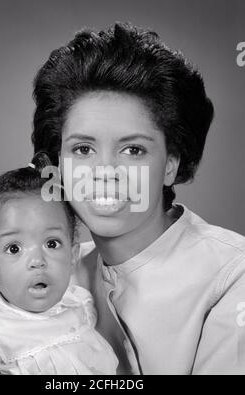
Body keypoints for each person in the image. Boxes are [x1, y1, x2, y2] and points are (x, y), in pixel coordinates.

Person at [31, 22, 245, 374]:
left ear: (171, 166)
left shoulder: (231, 276)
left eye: (133, 150)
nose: (105, 172)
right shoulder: (54, 271)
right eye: (83, 148)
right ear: (58, 165)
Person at [0, 153, 118, 375]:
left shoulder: (78, 304)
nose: (37, 261)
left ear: (73, 256)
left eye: (52, 243)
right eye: (14, 249)